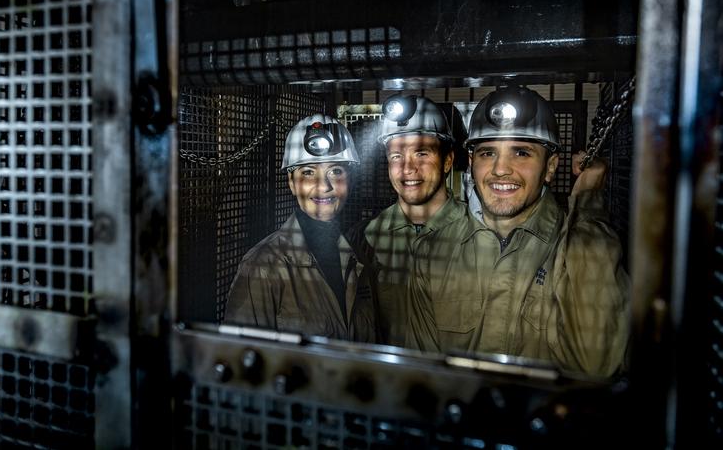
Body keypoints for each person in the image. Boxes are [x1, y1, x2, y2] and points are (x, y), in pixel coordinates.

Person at [411, 85, 630, 377]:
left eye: (522, 152)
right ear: (472, 163)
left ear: (550, 167)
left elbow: (596, 365)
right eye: (488, 152)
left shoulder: (580, 248)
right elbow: (421, 374)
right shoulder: (432, 252)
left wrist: (587, 210)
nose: (501, 169)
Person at [224, 114, 377, 342]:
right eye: (307, 172)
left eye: (335, 171)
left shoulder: (359, 256)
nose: (323, 186)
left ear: (350, 180)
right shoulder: (263, 266)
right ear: (292, 183)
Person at [350, 95, 463, 348]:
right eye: (396, 156)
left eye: (421, 153)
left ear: (447, 161)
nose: (407, 169)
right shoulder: (364, 239)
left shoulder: (478, 234)